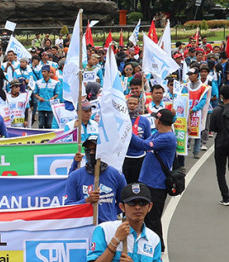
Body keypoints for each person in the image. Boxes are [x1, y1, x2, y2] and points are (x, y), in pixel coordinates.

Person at [128, 107, 176, 250]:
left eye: (156, 118)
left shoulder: (167, 138)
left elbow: (142, 144)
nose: (154, 120)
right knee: (146, 217)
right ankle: (151, 245)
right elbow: (141, 144)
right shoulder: (157, 134)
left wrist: (127, 131)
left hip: (157, 184)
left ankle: (158, 247)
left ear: (159, 121)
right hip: (147, 181)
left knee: (153, 217)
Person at [64, 134, 127, 223]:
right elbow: (68, 207)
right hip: (83, 227)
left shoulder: (116, 175)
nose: (91, 153)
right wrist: (86, 201)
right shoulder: (75, 176)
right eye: (88, 150)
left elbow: (124, 202)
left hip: (108, 226)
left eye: (95, 149)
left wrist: (111, 214)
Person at [122, 94, 152, 183]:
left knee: (136, 183)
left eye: (134, 104)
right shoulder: (122, 120)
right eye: (130, 103)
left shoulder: (145, 121)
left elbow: (148, 139)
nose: (132, 106)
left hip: (139, 157)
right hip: (124, 157)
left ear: (139, 106)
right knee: (124, 183)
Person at [212, 88, 229, 205]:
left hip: (221, 142)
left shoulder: (217, 110)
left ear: (221, 96)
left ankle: (226, 197)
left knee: (220, 171)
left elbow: (212, 127)